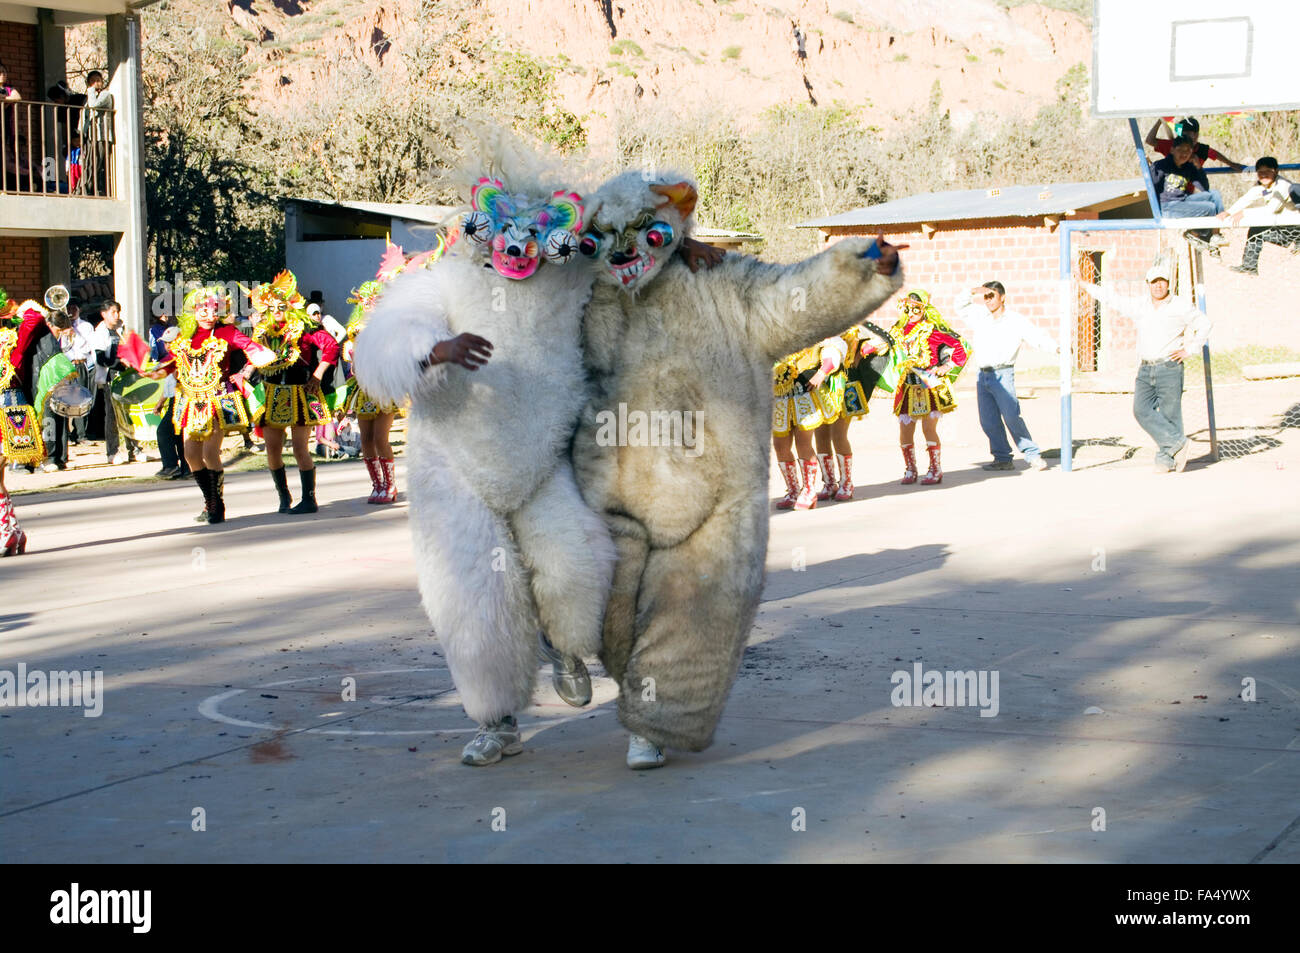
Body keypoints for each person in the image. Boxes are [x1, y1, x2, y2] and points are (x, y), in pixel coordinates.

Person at [147, 287, 276, 522]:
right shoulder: (184, 335)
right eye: (203, 310)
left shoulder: (226, 332)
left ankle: (216, 505)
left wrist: (250, 364)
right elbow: (170, 364)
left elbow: (251, 347)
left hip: (217, 399)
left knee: (209, 453)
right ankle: (210, 500)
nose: (208, 315)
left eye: (213, 310)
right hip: (191, 401)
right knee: (190, 454)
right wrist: (149, 371)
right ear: (194, 312)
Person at [1078, 262, 1211, 473]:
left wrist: (1190, 349)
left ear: (1169, 283)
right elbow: (1113, 300)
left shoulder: (1179, 305)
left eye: (1162, 281)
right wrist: (1086, 286)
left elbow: (1204, 324)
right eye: (1154, 282)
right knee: (1141, 410)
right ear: (1147, 284)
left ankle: (1167, 459)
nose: (1158, 286)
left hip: (1169, 367)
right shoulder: (1141, 305)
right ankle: (1178, 444)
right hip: (1146, 368)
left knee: (1170, 414)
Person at [245, 270, 339, 514]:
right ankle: (284, 495)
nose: (277, 310)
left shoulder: (304, 328)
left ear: (290, 305)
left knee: (300, 449)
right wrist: (247, 370)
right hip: (272, 394)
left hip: (300, 393)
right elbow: (254, 354)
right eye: (273, 306)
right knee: (273, 450)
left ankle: (309, 499)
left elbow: (331, 346)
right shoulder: (262, 331)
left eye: (282, 305)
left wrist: (317, 376)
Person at [955, 281, 1059, 471]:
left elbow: (1035, 335)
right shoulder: (980, 316)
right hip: (983, 375)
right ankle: (1002, 458)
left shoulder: (1015, 320)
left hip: (1003, 373)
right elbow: (959, 306)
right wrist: (972, 291)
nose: (988, 300)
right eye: (985, 296)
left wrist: (1055, 348)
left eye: (992, 296)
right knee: (988, 420)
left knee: (1011, 415)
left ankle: (1032, 454)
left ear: (1002, 297)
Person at [887, 289, 969, 485]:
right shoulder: (897, 331)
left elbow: (962, 347)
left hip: (927, 384)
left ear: (924, 309)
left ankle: (935, 469)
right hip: (906, 385)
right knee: (905, 429)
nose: (912, 312)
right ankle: (910, 469)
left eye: (916, 308)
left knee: (928, 428)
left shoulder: (933, 330)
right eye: (908, 307)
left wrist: (946, 366)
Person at [1, 298, 54, 555]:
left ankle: (8, 534)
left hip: (9, 409)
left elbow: (34, 316)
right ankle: (13, 533)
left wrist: (12, 311)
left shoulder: (13, 337)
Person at [1218, 156, 1300, 275]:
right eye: (1260, 172)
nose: (1264, 175)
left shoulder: (1283, 185)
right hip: (1282, 225)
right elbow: (1247, 198)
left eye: (1268, 171)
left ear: (1276, 171)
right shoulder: (1261, 186)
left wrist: (1245, 213)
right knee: (1255, 231)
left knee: (1257, 231)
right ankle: (1249, 266)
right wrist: (1229, 212)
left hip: (1293, 228)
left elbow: (1271, 209)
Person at [90, 299, 140, 464]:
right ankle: (113, 451)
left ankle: (135, 449)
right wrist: (119, 362)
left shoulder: (121, 330)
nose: (116, 315)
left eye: (118, 312)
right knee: (112, 416)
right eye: (113, 312)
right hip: (110, 378)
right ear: (103, 314)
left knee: (130, 413)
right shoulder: (99, 333)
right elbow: (101, 358)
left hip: (127, 376)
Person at [1145, 117, 1244, 172]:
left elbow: (1215, 154)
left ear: (1195, 135)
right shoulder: (1173, 145)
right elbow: (1149, 140)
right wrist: (1160, 120)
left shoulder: (1202, 149)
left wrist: (1231, 164)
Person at [78, 70, 113, 196]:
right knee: (88, 163)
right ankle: (81, 188)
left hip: (101, 136)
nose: (96, 83)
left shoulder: (105, 95)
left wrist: (91, 91)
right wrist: (81, 133)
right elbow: (85, 116)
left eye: (98, 80)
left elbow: (93, 105)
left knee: (96, 163)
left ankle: (89, 189)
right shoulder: (90, 99)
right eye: (92, 81)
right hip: (91, 136)